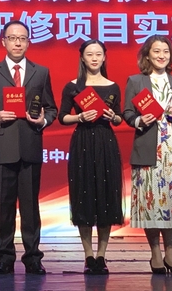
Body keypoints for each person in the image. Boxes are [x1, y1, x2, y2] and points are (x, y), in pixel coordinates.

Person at [0, 20, 58, 275]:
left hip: (30, 145)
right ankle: (4, 257)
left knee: (31, 207)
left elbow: (51, 108)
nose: (17, 43)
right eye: (12, 38)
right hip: (3, 147)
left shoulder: (41, 72)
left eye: (22, 38)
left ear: (29, 42)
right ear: (3, 42)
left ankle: (33, 257)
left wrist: (43, 120)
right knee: (4, 206)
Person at [122, 34, 172, 275]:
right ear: (147, 55)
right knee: (150, 202)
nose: (161, 56)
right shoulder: (136, 81)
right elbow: (128, 113)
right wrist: (140, 120)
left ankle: (170, 254)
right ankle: (155, 253)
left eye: (165, 51)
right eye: (156, 51)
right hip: (148, 149)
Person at [59, 40, 124, 275]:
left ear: (104, 57)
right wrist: (79, 118)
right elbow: (62, 116)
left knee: (106, 197)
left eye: (98, 54)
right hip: (83, 143)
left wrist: (113, 117)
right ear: (82, 58)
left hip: (106, 143)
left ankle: (102, 255)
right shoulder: (73, 86)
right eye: (89, 54)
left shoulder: (113, 86)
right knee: (84, 197)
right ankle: (88, 255)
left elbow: (120, 118)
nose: (94, 58)